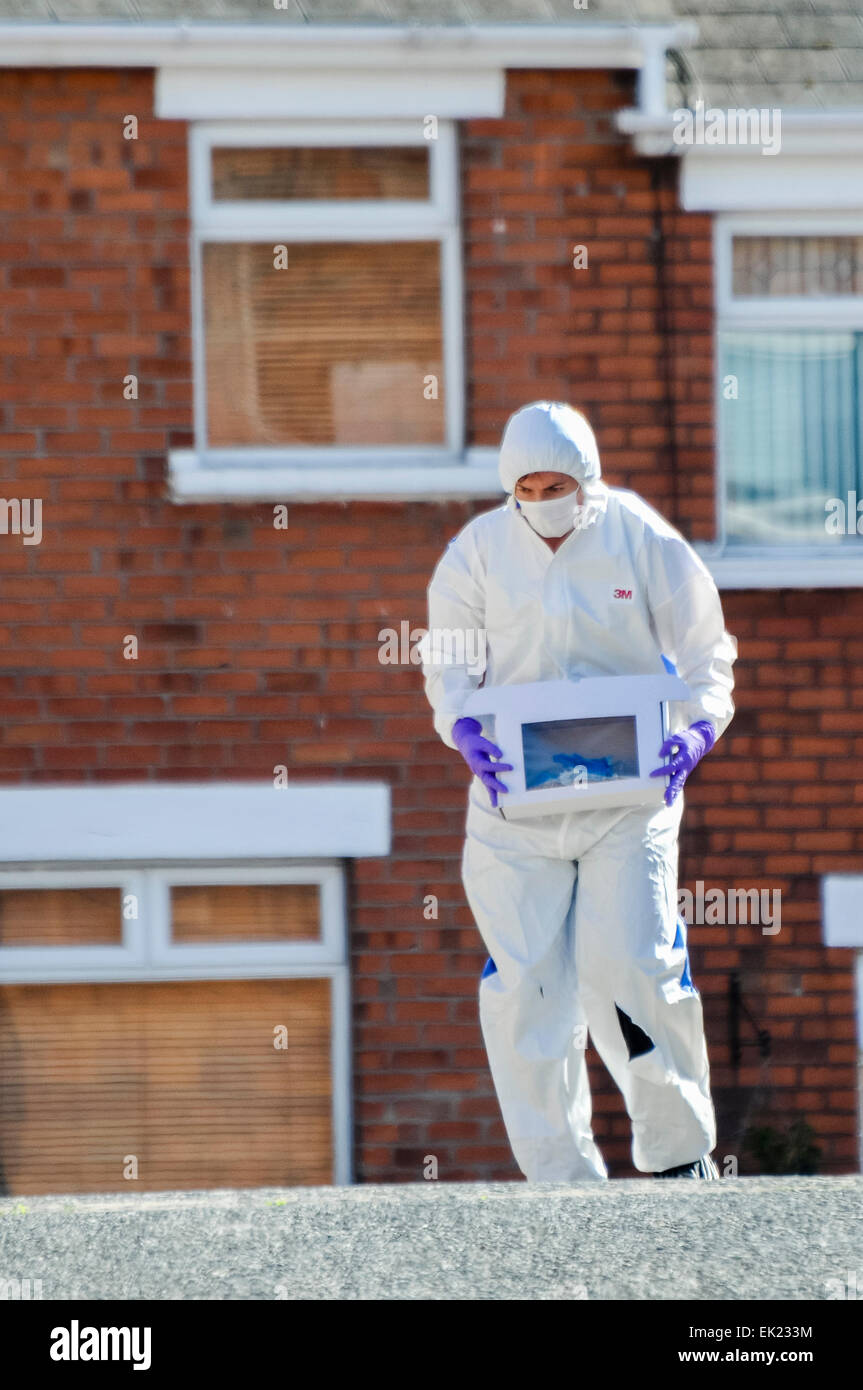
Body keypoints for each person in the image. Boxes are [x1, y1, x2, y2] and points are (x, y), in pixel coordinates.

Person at [421, 401, 737, 1182]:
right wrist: (461, 727)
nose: (543, 499)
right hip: (515, 811)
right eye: (526, 485)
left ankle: (676, 1158)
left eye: (556, 482)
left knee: (628, 966)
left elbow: (706, 652)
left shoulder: (638, 538)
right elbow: (449, 669)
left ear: (585, 477)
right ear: (508, 487)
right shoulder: (477, 554)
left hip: (628, 803)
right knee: (526, 990)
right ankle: (561, 1185)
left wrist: (695, 731)